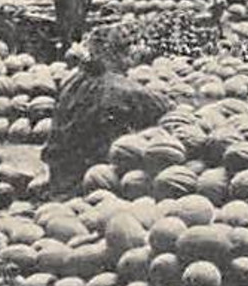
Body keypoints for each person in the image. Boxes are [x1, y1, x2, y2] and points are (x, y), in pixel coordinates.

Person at [42, 29, 171, 198]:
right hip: (90, 180)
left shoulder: (73, 80)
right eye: (127, 53)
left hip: (60, 175)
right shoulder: (118, 86)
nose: (130, 60)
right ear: (115, 54)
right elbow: (161, 107)